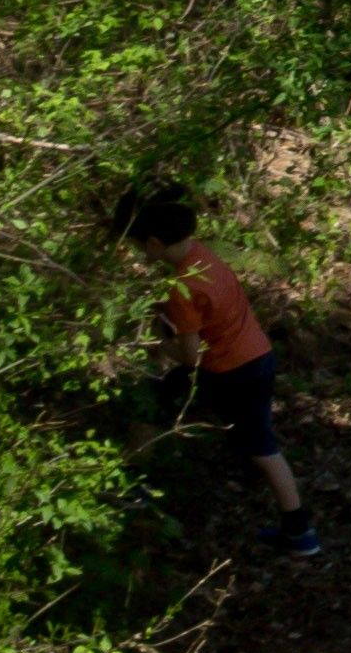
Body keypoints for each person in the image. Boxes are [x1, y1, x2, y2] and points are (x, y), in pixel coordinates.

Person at [120, 186, 318, 559]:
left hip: (230, 371)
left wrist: (159, 345)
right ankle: (297, 528)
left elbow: (192, 357)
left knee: (259, 446)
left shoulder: (182, 287)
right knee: (252, 441)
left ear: (154, 243)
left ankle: (300, 530)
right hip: (257, 356)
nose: (139, 252)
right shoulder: (203, 256)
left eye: (138, 245)